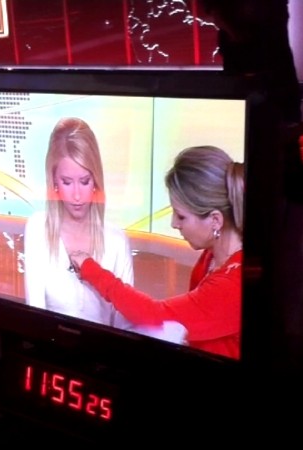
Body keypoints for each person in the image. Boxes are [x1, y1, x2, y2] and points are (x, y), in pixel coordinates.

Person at [69, 146, 244, 360]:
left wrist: (90, 268)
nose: (173, 224)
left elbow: (153, 315)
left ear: (215, 220)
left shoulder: (233, 283)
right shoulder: (211, 257)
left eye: (181, 216)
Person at [23, 117, 134, 329]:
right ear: (54, 182)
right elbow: (35, 315)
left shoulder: (116, 241)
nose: (76, 195)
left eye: (84, 181)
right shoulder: (37, 229)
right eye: (67, 182)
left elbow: (124, 326)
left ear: (96, 181)